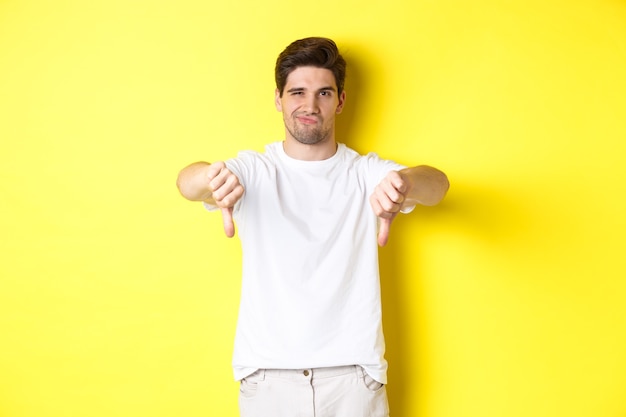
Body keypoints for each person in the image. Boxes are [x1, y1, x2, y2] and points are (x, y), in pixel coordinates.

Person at [176, 37, 449, 417]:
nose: (309, 105)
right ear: (278, 99)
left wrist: (405, 183)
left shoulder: (365, 172)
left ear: (340, 101)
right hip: (268, 380)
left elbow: (438, 186)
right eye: (297, 92)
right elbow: (187, 183)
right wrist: (209, 177)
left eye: (323, 92)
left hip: (354, 381)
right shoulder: (254, 171)